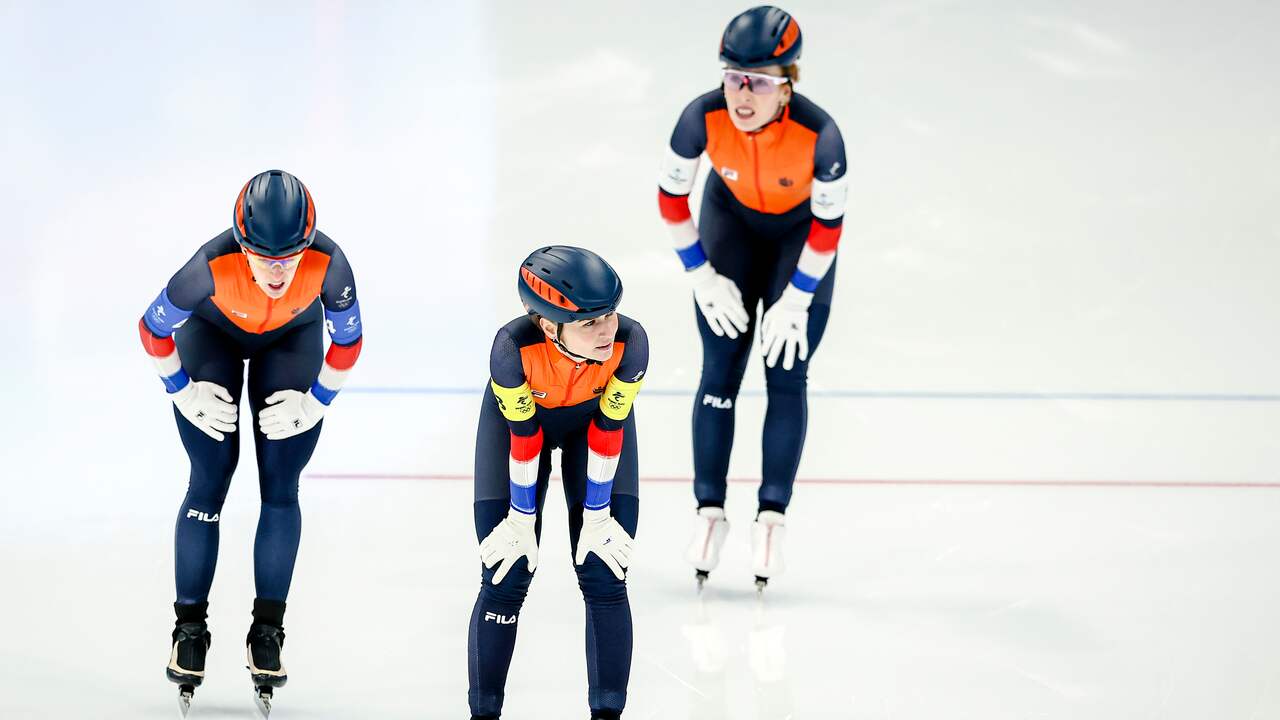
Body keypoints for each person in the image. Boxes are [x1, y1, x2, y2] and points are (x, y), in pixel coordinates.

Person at [137, 169, 363, 715]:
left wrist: (316, 402)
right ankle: (189, 628)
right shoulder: (208, 265)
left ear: (308, 245)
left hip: (290, 340)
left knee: (281, 483)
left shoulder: (331, 266)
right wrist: (181, 391)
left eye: (291, 256)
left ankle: (269, 630)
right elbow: (151, 328)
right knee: (211, 474)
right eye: (264, 257)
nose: (279, 270)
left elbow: (349, 342)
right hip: (212, 336)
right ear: (242, 245)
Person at [656, 6, 848, 589]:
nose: (743, 93)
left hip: (797, 242)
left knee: (786, 373)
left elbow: (826, 230)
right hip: (730, 231)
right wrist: (701, 277)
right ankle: (709, 512)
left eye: (760, 81)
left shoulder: (822, 135)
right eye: (733, 76)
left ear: (788, 84)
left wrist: (797, 299)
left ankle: (771, 517)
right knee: (719, 372)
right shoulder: (700, 117)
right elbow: (671, 202)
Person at [469, 246, 648, 720]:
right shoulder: (511, 348)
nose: (607, 329)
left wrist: (597, 515)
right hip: (518, 432)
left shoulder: (633, 344)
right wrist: (522, 517)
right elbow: (525, 437)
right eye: (590, 322)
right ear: (548, 326)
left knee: (604, 572)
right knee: (507, 573)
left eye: (610, 313)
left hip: (595, 429)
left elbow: (610, 429)